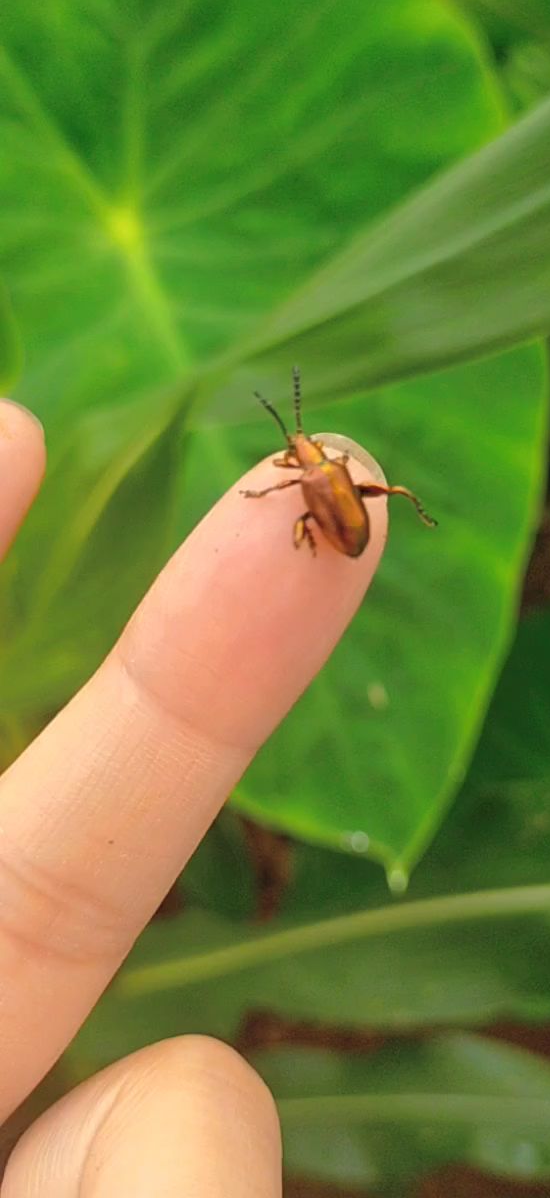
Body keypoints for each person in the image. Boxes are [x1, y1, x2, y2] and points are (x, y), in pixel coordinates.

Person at [0, 398, 387, 1195]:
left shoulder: (309, 482)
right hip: (332, 529)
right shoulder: (315, 481)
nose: (300, 452)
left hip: (334, 531)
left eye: (300, 446)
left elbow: (324, 506)